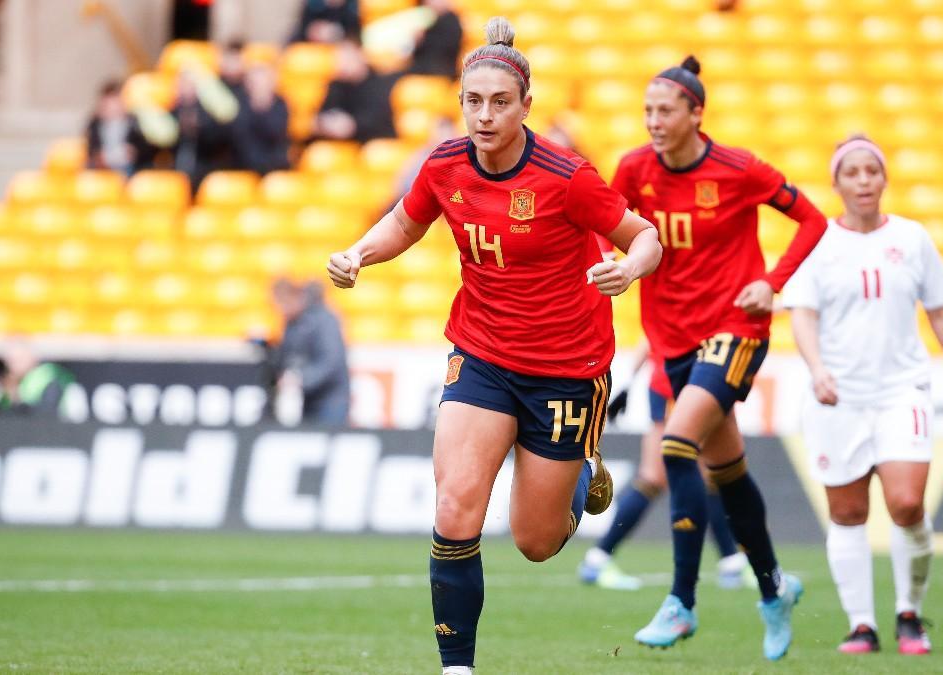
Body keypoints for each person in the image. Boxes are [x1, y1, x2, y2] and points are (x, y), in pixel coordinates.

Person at [326, 17, 662, 675]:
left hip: (566, 371)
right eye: (472, 101)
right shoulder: (445, 164)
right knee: (454, 503)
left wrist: (629, 269)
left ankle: (578, 476)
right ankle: (458, 668)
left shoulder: (568, 176)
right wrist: (359, 253)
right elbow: (405, 220)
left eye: (499, 101)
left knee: (536, 542)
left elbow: (644, 233)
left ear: (525, 105)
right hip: (481, 355)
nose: (484, 114)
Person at [611, 55, 828, 660]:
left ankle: (682, 601)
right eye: (647, 110)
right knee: (727, 472)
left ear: (696, 114)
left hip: (736, 327)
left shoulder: (739, 169)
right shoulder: (632, 170)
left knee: (677, 447)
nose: (653, 121)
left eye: (665, 111)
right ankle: (773, 588)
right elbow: (610, 226)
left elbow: (812, 220)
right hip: (672, 340)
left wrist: (774, 281)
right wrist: (618, 263)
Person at [782, 135, 943, 655]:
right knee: (847, 514)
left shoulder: (912, 239)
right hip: (837, 396)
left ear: (884, 178)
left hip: (901, 390)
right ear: (837, 182)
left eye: (872, 171)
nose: (864, 181)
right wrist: (818, 369)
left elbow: (940, 309)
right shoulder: (818, 241)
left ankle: (909, 613)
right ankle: (862, 625)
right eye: (853, 172)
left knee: (907, 503)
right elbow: (801, 312)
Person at [578, 342, 755, 591]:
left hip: (683, 379)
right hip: (680, 381)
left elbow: (649, 338)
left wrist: (628, 384)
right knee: (655, 477)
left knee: (707, 476)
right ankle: (598, 559)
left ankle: (731, 563)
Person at [270, 279, 352, 427]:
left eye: (283, 303)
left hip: (330, 400)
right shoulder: (293, 323)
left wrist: (301, 379)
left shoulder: (324, 319)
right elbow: (288, 357)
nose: (281, 310)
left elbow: (331, 361)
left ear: (295, 297)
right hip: (309, 398)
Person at [313, 39, 398, 145]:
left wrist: (353, 125)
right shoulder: (336, 85)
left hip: (373, 142)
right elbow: (324, 112)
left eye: (348, 59)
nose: (343, 64)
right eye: (339, 60)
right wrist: (326, 124)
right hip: (342, 144)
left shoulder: (381, 83)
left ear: (360, 55)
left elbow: (379, 119)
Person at [85, 80, 155, 175]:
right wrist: (100, 157)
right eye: (110, 102)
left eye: (117, 101)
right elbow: (92, 148)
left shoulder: (134, 122)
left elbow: (146, 147)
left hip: (130, 167)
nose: (113, 107)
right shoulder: (95, 124)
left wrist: (134, 151)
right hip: (103, 168)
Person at [232, 64, 290, 175]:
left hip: (274, 168)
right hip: (243, 167)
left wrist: (261, 107)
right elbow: (237, 135)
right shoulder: (239, 103)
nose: (258, 87)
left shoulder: (280, 104)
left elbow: (275, 131)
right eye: (254, 82)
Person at [408, 0, 463, 79]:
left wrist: (423, 39)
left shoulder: (451, 20)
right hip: (422, 67)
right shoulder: (426, 20)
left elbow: (446, 49)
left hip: (440, 70)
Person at [292, 0, 361, 44]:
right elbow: (303, 29)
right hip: (313, 50)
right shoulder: (314, 5)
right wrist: (314, 31)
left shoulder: (353, 8)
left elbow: (356, 34)